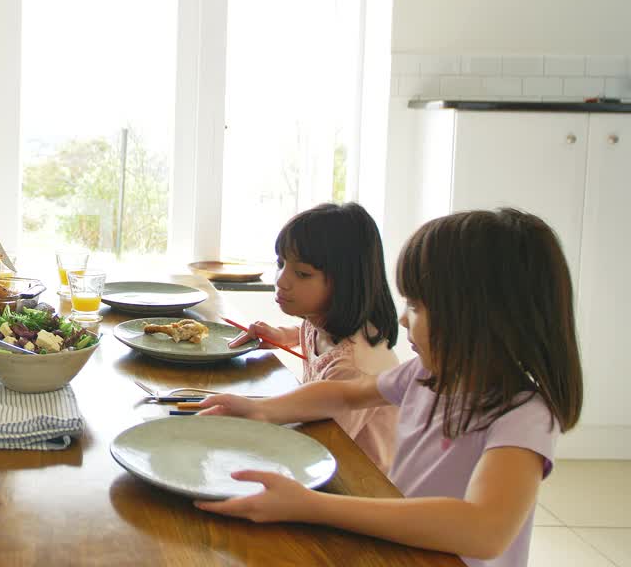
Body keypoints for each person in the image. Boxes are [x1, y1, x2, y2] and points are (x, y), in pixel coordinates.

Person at [192, 209, 584, 567]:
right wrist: (260, 409)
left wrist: (314, 506)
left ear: (480, 317)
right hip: (401, 546)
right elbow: (344, 394)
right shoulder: (425, 374)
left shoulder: (524, 415)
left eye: (418, 305)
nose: (403, 318)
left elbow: (484, 530)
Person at [228, 202, 399, 470]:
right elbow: (311, 337)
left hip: (356, 485)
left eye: (302, 273)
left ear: (346, 281)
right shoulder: (320, 322)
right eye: (280, 263)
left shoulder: (353, 367)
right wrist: (282, 335)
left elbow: (321, 450)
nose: (282, 280)